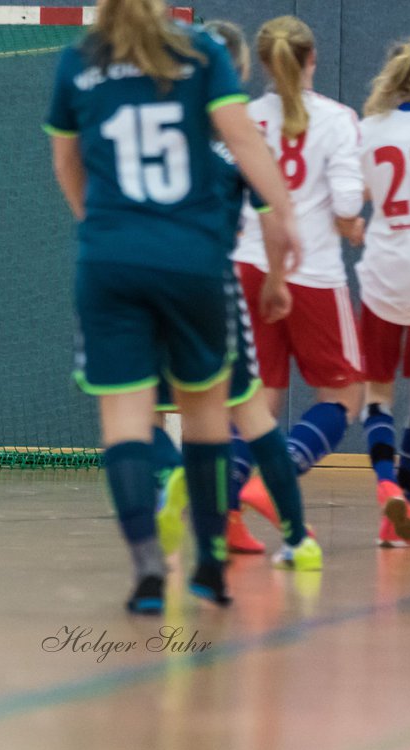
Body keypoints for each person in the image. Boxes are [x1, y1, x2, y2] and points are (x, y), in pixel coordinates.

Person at [44, 0, 301, 613]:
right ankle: (211, 564)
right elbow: (242, 141)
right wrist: (285, 215)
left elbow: (65, 163)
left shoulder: (77, 60)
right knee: (207, 412)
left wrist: (100, 226)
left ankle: (147, 570)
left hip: (110, 258)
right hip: (193, 260)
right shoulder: (200, 50)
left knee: (126, 422)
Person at [151, 20, 320, 571]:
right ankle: (298, 539)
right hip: (210, 281)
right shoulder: (246, 135)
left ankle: (171, 487)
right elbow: (274, 222)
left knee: (144, 414)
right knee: (252, 415)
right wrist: (275, 281)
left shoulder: (158, 123)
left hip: (149, 278)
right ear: (238, 70)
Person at [231, 17, 367, 525]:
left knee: (255, 400)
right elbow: (350, 199)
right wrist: (347, 219)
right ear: (312, 58)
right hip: (310, 273)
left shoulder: (242, 118)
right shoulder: (336, 119)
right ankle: (276, 479)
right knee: (343, 395)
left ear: (263, 63)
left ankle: (223, 505)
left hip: (248, 263)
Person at [356, 37, 410, 546]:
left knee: (377, 394)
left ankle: (386, 484)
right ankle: (398, 519)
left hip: (385, 278)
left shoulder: (369, 130)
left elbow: (352, 198)